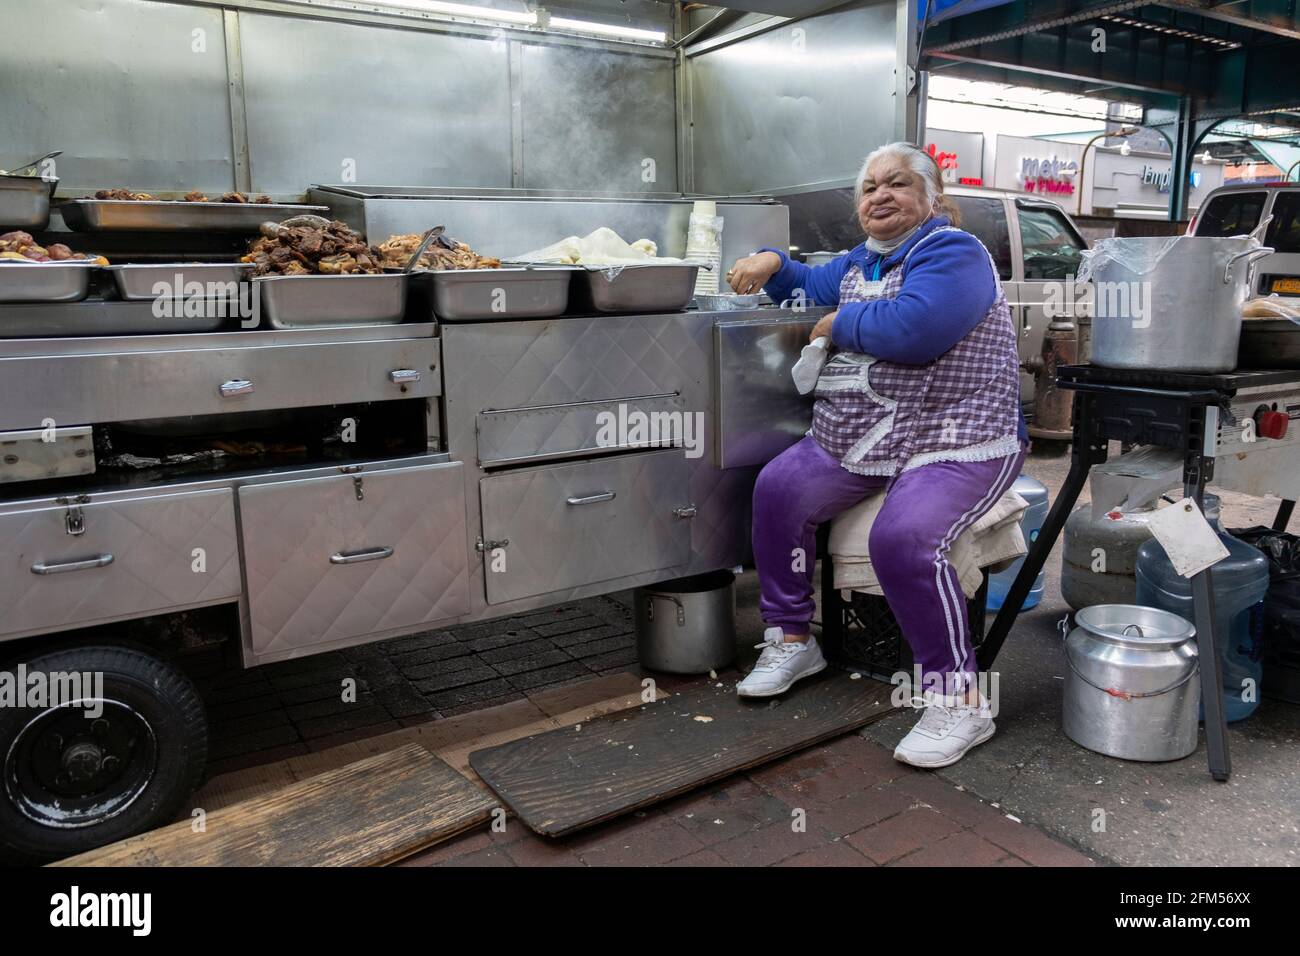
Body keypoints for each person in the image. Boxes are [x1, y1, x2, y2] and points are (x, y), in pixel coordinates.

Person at [726, 141, 1028, 769]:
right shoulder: (862, 261)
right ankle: (791, 639)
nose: (879, 195)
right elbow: (809, 283)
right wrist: (772, 260)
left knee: (907, 536)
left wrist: (838, 325)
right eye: (869, 187)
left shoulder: (952, 252)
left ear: (932, 199)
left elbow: (914, 332)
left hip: (958, 436)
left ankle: (960, 699)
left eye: (897, 184)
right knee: (778, 490)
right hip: (868, 434)